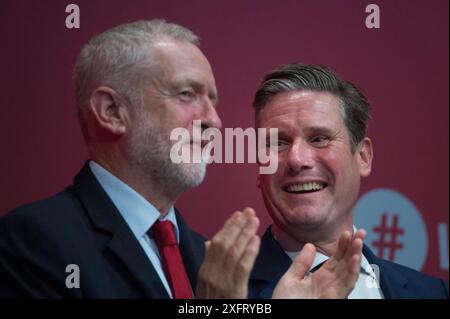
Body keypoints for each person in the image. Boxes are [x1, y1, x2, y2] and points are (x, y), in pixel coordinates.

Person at [0, 19, 367, 298]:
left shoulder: (201, 253)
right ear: (112, 111)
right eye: (187, 94)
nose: (213, 120)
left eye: (213, 99)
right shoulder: (34, 241)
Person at [246, 63, 449, 299]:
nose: (297, 159)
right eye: (278, 142)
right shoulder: (214, 293)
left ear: (363, 156)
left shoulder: (435, 293)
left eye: (319, 138)